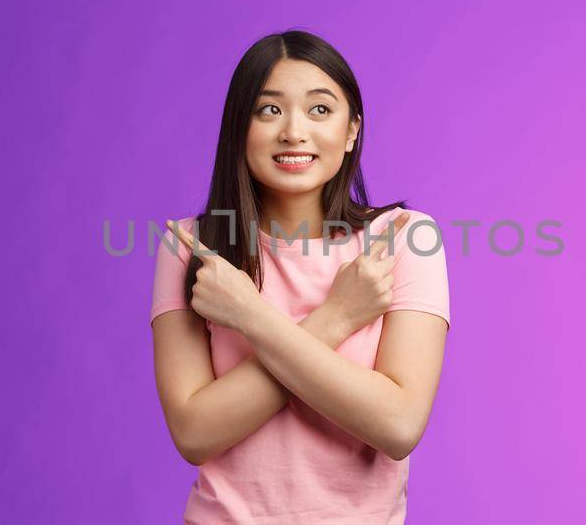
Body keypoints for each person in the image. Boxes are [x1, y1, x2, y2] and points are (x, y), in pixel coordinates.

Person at [149, 29, 451, 524]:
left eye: (319, 110)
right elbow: (194, 433)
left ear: (351, 129)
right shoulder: (192, 247)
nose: (293, 131)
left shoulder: (404, 238)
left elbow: (398, 425)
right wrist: (336, 318)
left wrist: (250, 317)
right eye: (269, 110)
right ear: (239, 127)